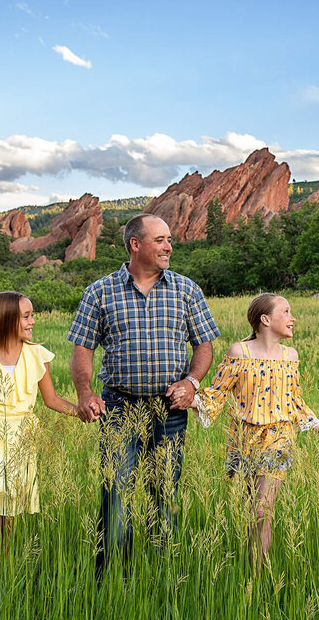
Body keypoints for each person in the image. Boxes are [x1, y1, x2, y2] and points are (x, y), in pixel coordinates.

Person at [68, 214, 220, 573]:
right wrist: (85, 392)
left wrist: (192, 382)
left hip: (169, 410)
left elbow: (204, 346)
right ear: (136, 245)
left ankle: (163, 574)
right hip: (118, 406)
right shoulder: (100, 291)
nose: (169, 247)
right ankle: (112, 580)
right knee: (115, 494)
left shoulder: (186, 289)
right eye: (160, 240)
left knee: (164, 494)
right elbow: (82, 350)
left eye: (169, 240)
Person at [193, 293, 319, 568]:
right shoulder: (239, 353)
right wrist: (187, 398)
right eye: (286, 312)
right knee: (249, 511)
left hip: (278, 438)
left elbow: (294, 402)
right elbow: (217, 394)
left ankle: (261, 573)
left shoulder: (291, 356)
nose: (293, 318)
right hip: (243, 439)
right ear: (265, 320)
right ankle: (251, 571)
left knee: (262, 509)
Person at [0, 291, 81, 567]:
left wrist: (81, 412)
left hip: (18, 436)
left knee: (6, 513)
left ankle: (0, 569)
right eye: (26, 316)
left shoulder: (37, 355)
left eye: (31, 315)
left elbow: (52, 400)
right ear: (6, 319)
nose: (32, 321)